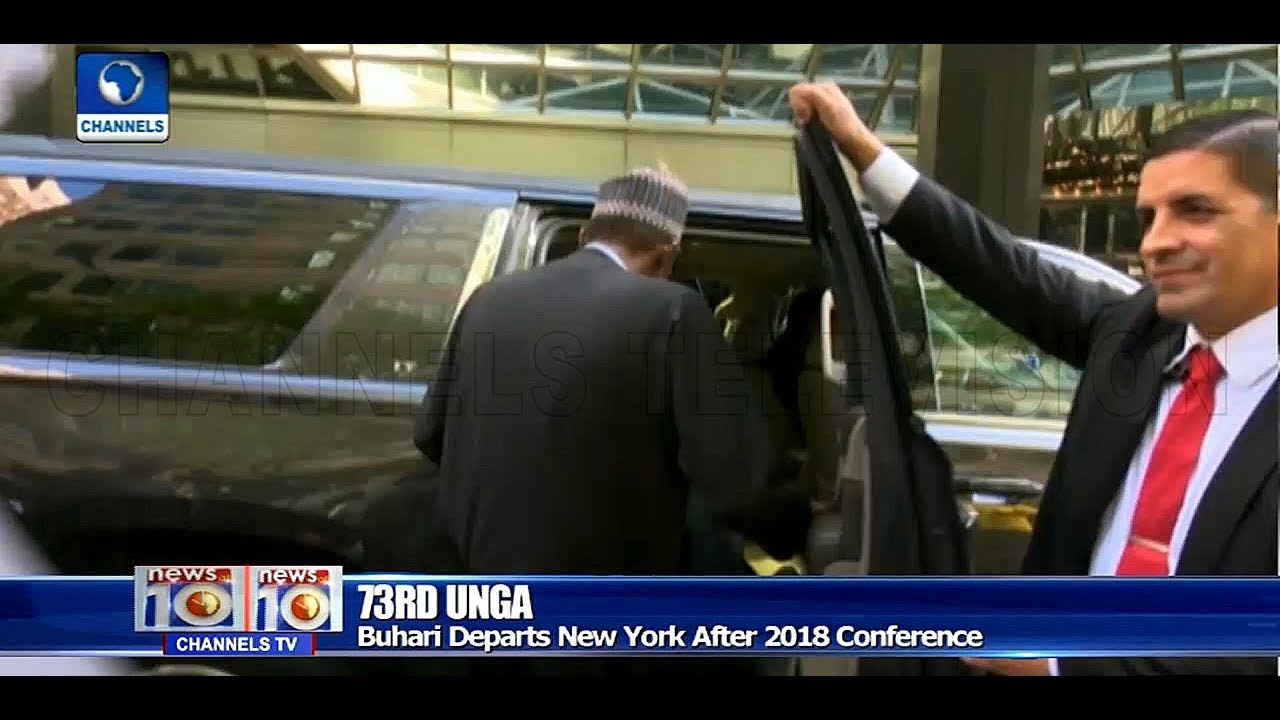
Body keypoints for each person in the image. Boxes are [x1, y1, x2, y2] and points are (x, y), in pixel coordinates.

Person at [788, 82, 1277, 675]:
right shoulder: (1135, 333)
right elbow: (1001, 270)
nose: (1156, 242)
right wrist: (864, 152)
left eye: (1195, 210)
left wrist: (1056, 665)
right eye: (1148, 216)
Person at [413, 167, 812, 673]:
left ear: (584, 237)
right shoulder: (672, 311)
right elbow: (741, 483)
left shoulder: (488, 299)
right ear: (668, 256)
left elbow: (430, 436)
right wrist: (798, 524)